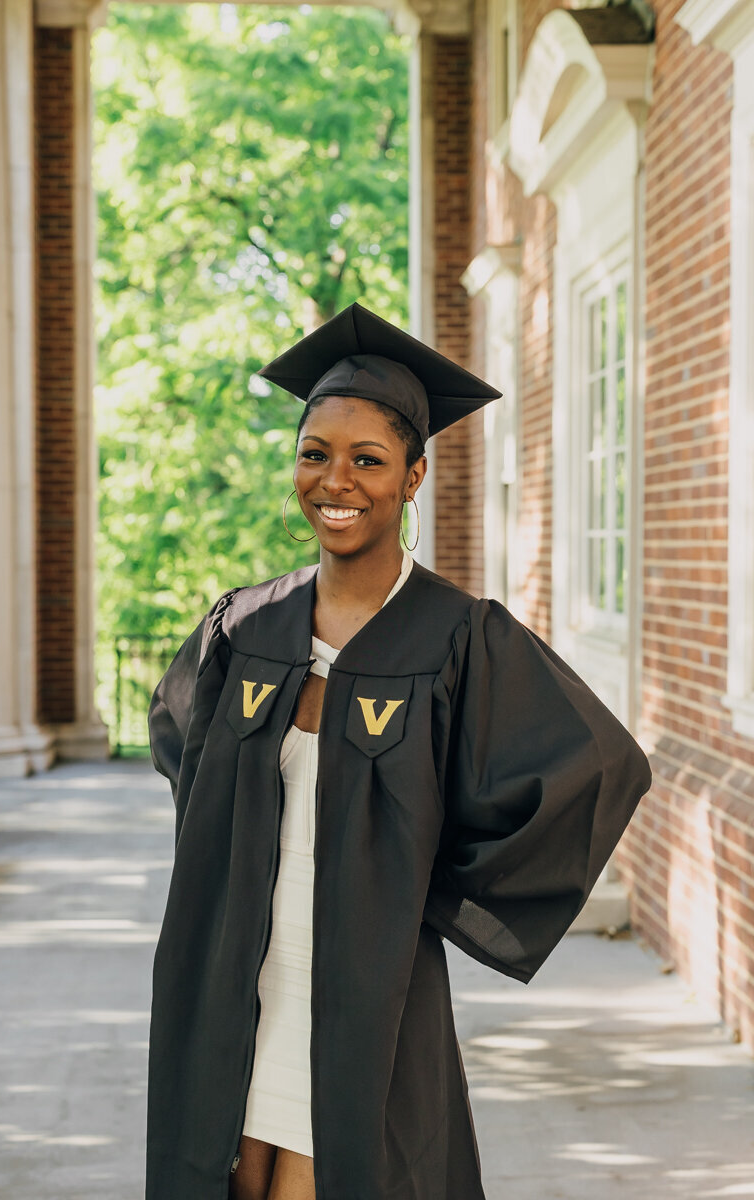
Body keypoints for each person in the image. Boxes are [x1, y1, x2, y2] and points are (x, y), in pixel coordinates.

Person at [145, 302, 652, 1200]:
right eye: (314, 454)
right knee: (225, 1176)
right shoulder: (245, 625)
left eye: (368, 459)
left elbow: (598, 770)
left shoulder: (460, 638)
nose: (335, 480)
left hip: (362, 992)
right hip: (231, 977)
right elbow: (182, 743)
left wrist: (433, 886)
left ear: (414, 476)